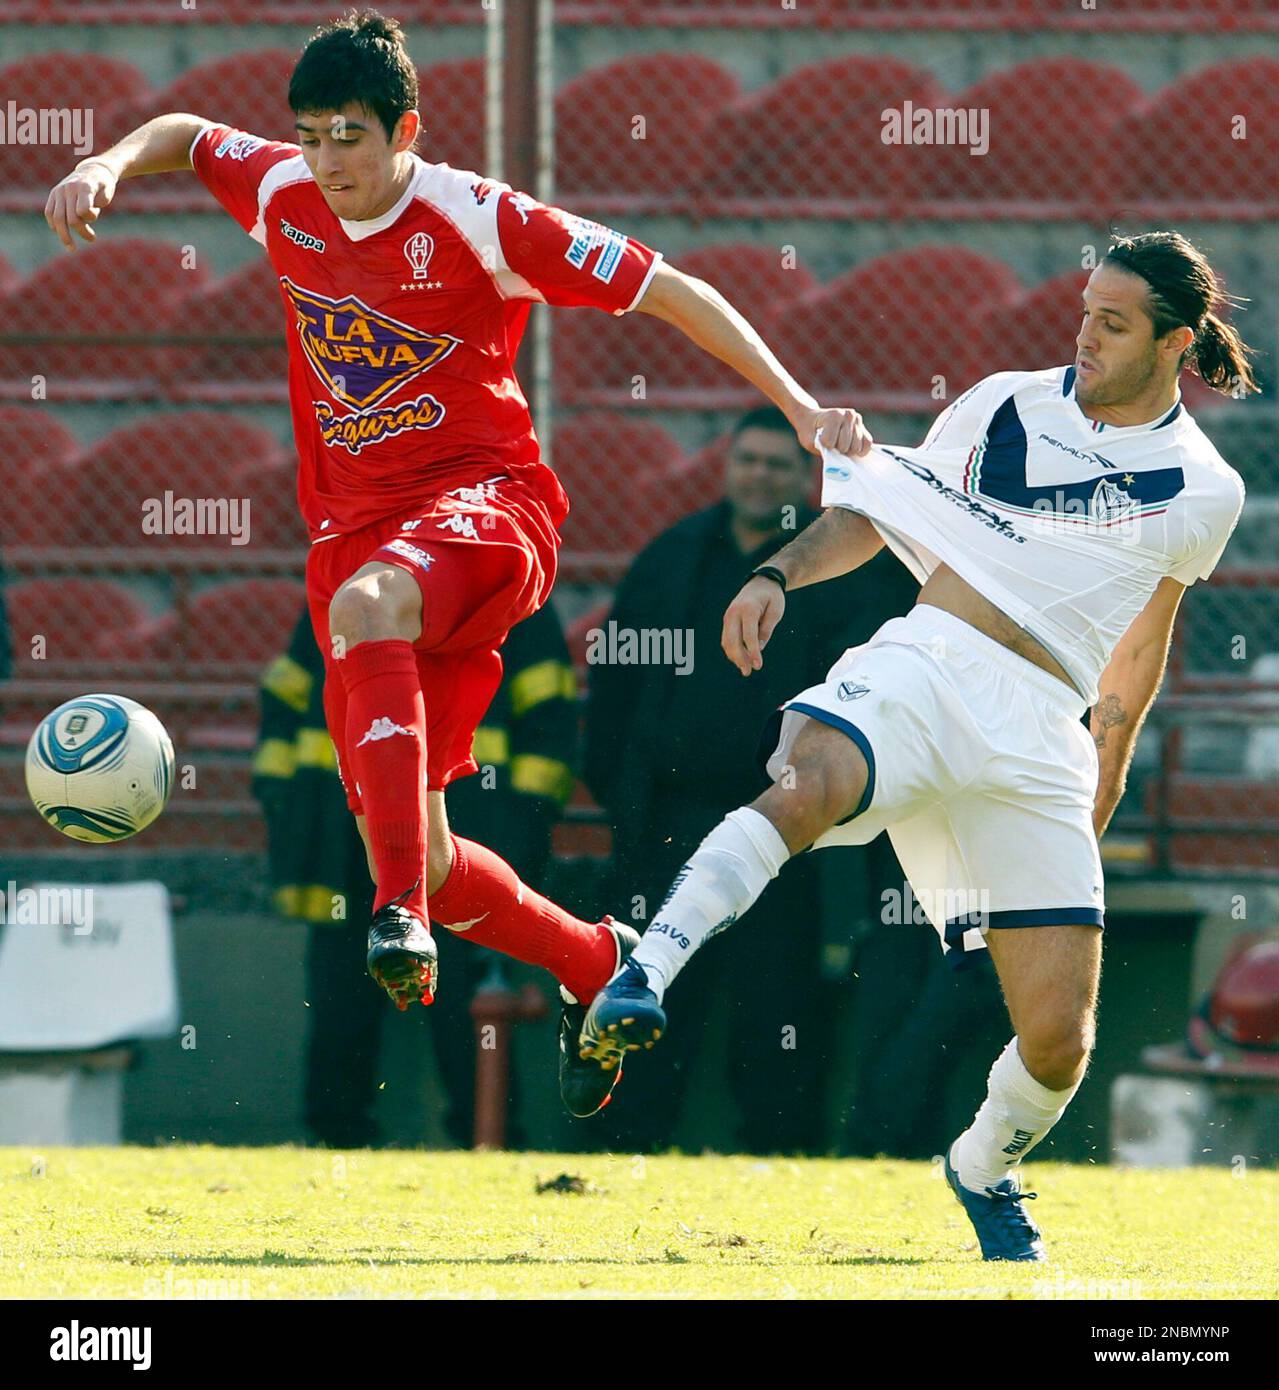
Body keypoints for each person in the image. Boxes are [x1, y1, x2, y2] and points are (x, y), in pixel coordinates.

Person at [44, 9, 870, 1122]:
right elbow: (188, 133)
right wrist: (103, 160)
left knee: (370, 622)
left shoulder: (477, 219)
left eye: (349, 135)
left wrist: (803, 407)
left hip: (487, 511)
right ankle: (594, 959)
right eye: (312, 135)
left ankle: (396, 916)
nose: (327, 160)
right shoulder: (283, 191)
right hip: (356, 542)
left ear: (406, 131)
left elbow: (670, 288)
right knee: (428, 847)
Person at [581, 231, 1254, 1260]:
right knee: (810, 777)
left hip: (1041, 729)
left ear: (1174, 343)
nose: (1084, 336)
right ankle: (644, 970)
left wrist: (1103, 776)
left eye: (1113, 324)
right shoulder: (998, 403)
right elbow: (878, 513)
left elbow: (1140, 645)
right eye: (1083, 310)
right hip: (929, 663)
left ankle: (982, 1165)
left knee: (1057, 1039)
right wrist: (775, 574)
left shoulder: (1201, 490)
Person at [584, 405, 916, 1151]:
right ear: (726, 465)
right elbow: (610, 693)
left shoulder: (841, 569)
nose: (758, 475)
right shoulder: (671, 557)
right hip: (669, 822)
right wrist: (626, 802)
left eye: (776, 464)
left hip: (792, 835)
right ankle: (627, 1149)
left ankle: (777, 1155)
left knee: (780, 1008)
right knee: (656, 988)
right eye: (747, 460)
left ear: (805, 478)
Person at [254, 599, 576, 1148]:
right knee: (339, 1008)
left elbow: (549, 731)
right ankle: (335, 1148)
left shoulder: (507, 594)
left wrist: (514, 844)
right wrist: (288, 806)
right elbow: (284, 704)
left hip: (460, 846)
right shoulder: (340, 594)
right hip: (346, 850)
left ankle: (488, 1146)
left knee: (465, 1015)